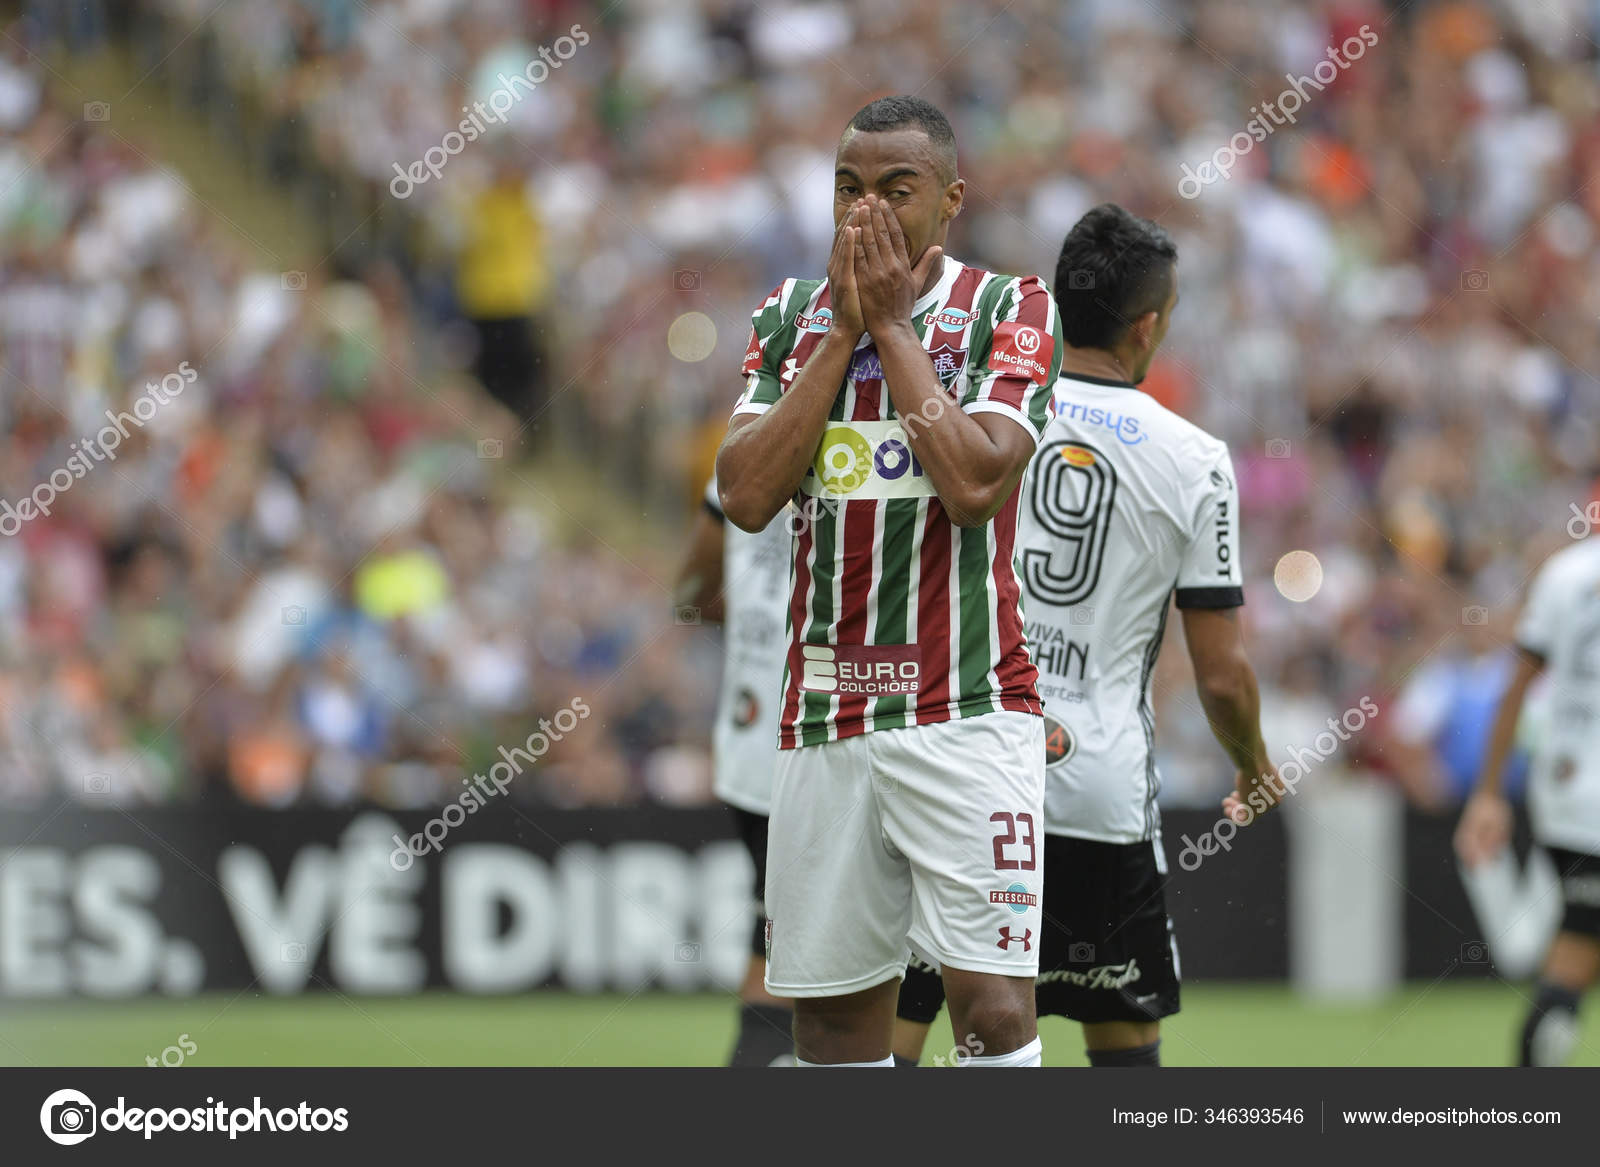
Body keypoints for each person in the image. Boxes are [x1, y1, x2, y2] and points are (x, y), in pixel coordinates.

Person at [715, 95, 1064, 1067]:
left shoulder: (1010, 308)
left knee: (992, 1012)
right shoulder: (788, 317)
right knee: (829, 1022)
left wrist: (894, 332)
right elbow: (745, 494)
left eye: (895, 190)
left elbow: (974, 484)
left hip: (968, 709)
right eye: (848, 188)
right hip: (826, 715)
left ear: (950, 200)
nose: (866, 211)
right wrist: (841, 334)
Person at [893, 204, 1279, 1067]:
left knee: (900, 1029)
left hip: (963, 770)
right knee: (1123, 1047)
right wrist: (1253, 766)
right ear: (1147, 326)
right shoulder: (1197, 459)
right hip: (1096, 793)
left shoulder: (980, 408)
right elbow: (1221, 676)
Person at [1456, 533, 1600, 1065]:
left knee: (1574, 954)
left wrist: (1488, 793)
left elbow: (1516, 683)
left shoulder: (1567, 571)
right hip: (1585, 805)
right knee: (1574, 957)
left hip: (1567, 798)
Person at [675, 472, 793, 1066]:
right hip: (831, 742)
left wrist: (755, 620)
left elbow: (690, 593)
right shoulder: (881, 448)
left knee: (773, 952)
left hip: (751, 747)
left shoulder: (741, 454)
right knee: (852, 984)